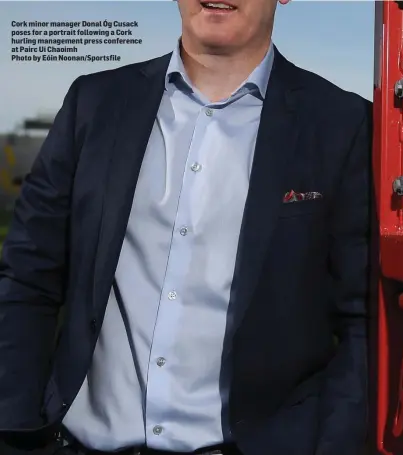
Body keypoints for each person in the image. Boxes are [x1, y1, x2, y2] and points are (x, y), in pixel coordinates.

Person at [0, 0, 372, 454]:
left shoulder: (342, 123)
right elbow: (26, 277)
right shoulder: (93, 102)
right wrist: (15, 429)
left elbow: (362, 321)